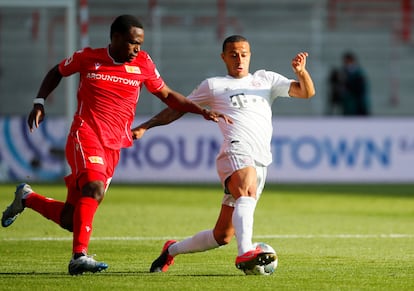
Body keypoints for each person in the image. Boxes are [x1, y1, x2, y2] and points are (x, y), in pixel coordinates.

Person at [1, 14, 230, 276]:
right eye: (133, 43)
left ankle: (27, 198)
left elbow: (166, 94)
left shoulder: (143, 63)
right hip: (85, 135)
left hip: (114, 145)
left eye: (140, 44)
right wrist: (39, 101)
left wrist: (200, 110)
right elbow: (57, 71)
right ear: (116, 38)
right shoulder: (88, 57)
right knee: (94, 187)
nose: (137, 49)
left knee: (71, 220)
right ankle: (79, 257)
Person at [131, 35, 315, 274]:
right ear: (224, 57)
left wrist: (301, 72)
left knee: (222, 235)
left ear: (250, 55)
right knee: (246, 191)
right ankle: (245, 252)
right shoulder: (214, 85)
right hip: (235, 149)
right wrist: (146, 125)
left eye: (244, 54)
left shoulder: (265, 79)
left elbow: (306, 92)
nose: (239, 59)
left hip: (261, 158)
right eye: (233, 54)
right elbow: (178, 108)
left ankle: (171, 250)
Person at [340, 52, 370, 116]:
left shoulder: (359, 74)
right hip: (348, 106)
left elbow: (360, 89)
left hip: (358, 106)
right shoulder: (344, 72)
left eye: (347, 62)